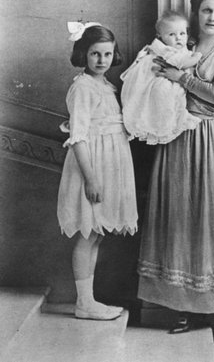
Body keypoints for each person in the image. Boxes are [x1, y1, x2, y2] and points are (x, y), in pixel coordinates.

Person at [136, 0, 214, 346]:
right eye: (206, 10)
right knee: (177, 218)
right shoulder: (181, 41)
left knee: (209, 222)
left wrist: (180, 77)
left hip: (207, 140)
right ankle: (182, 305)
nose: (212, 16)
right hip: (173, 139)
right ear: (196, 12)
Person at [57, 22, 138, 320]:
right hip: (92, 168)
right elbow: (77, 136)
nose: (101, 60)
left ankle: (87, 300)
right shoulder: (82, 87)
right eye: (95, 54)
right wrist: (91, 178)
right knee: (88, 234)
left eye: (107, 54)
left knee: (97, 234)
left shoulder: (106, 86)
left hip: (110, 165)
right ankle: (84, 302)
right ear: (84, 54)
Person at [120, 10, 201, 144]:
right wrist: (197, 56)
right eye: (171, 34)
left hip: (163, 79)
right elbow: (183, 62)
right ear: (160, 36)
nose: (178, 38)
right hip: (153, 80)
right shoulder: (165, 50)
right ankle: (163, 126)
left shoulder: (175, 47)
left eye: (182, 33)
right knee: (163, 100)